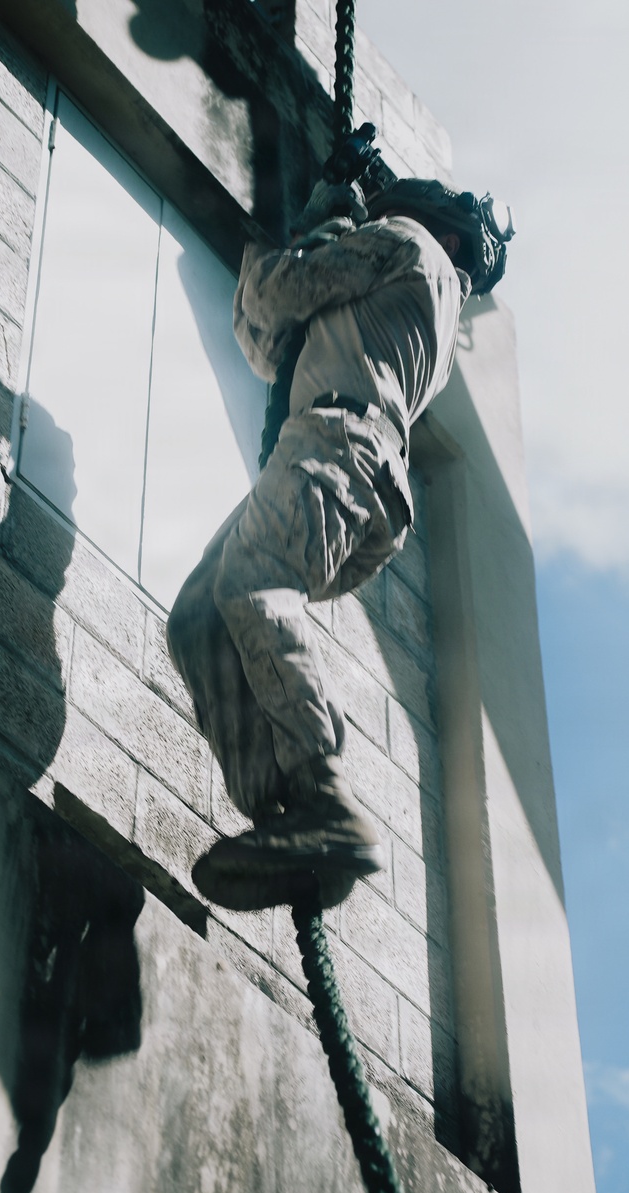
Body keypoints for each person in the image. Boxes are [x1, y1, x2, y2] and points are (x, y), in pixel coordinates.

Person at [167, 174, 512, 910]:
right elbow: (274, 348)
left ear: (449, 235)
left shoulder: (409, 244)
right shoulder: (419, 300)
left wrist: (310, 231)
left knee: (252, 581)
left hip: (339, 442)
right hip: (353, 463)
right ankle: (284, 815)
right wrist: (313, 241)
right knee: (199, 613)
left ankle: (322, 791)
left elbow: (274, 299)